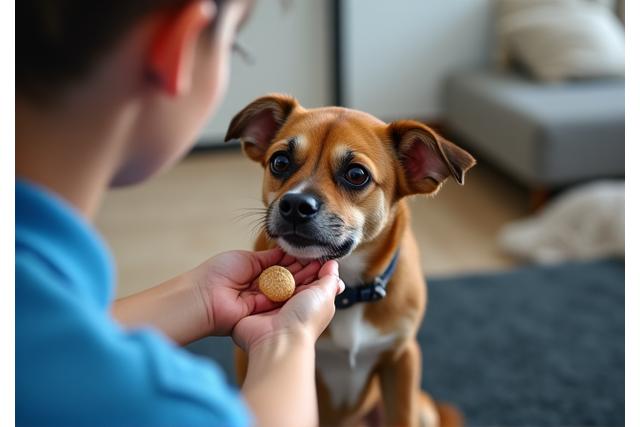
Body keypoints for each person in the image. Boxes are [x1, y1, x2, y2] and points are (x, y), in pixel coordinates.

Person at [16, 1, 345, 426]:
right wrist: (289, 340)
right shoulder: (167, 408)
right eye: (232, 47)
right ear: (178, 47)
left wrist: (200, 298)